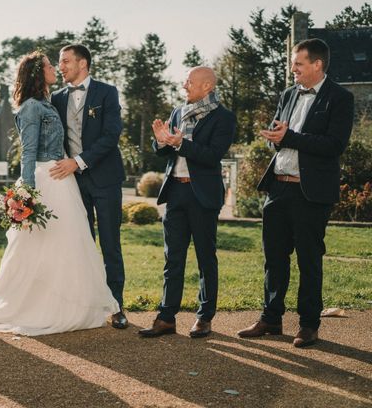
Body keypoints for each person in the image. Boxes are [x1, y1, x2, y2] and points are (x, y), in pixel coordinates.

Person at [0, 51, 119, 336]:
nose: (57, 68)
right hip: (45, 179)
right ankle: (38, 307)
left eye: (61, 62)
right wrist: (28, 194)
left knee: (69, 246)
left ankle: (72, 304)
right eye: (53, 65)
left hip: (62, 177)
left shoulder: (48, 102)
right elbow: (27, 151)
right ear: (39, 73)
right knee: (40, 246)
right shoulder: (31, 107)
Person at [238, 39, 354, 348]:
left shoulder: (340, 98)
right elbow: (278, 138)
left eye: (298, 64)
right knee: (274, 258)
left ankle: (308, 325)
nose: (292, 69)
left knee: (309, 260)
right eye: (293, 63)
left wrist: (291, 137)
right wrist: (275, 139)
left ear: (317, 65)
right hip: (278, 187)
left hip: (311, 192)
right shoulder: (287, 94)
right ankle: (271, 319)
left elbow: (334, 145)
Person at [139, 67, 236, 339]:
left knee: (206, 258)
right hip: (176, 193)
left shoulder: (223, 118)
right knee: (173, 258)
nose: (184, 86)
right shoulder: (178, 112)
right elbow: (165, 150)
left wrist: (181, 143)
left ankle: (204, 318)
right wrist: (161, 142)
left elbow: (212, 155)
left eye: (190, 82)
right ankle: (166, 317)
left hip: (202, 195)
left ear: (207, 86)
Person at [50, 44, 128, 329]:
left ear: (83, 63)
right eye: (60, 62)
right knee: (79, 244)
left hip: (105, 179)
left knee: (110, 244)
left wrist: (79, 161)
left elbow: (111, 135)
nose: (62, 66)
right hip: (71, 185)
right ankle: (83, 307)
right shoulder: (56, 98)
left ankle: (116, 306)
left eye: (66, 61)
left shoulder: (107, 92)